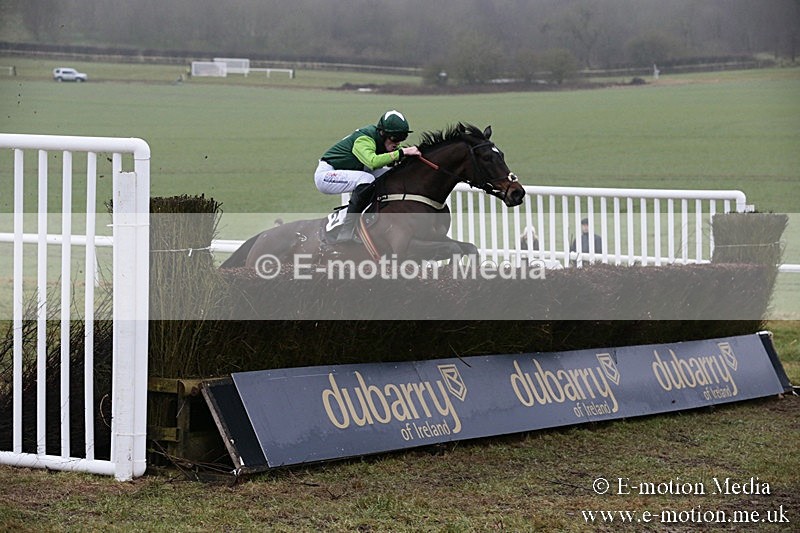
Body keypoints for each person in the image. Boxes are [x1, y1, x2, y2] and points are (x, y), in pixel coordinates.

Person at [315, 110, 422, 242]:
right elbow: (372, 162)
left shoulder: (381, 141)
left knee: (391, 176)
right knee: (366, 179)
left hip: (352, 171)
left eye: (402, 138)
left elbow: (385, 164)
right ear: (382, 133)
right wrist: (402, 152)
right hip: (326, 175)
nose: (397, 143)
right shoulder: (364, 139)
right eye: (394, 138)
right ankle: (346, 231)